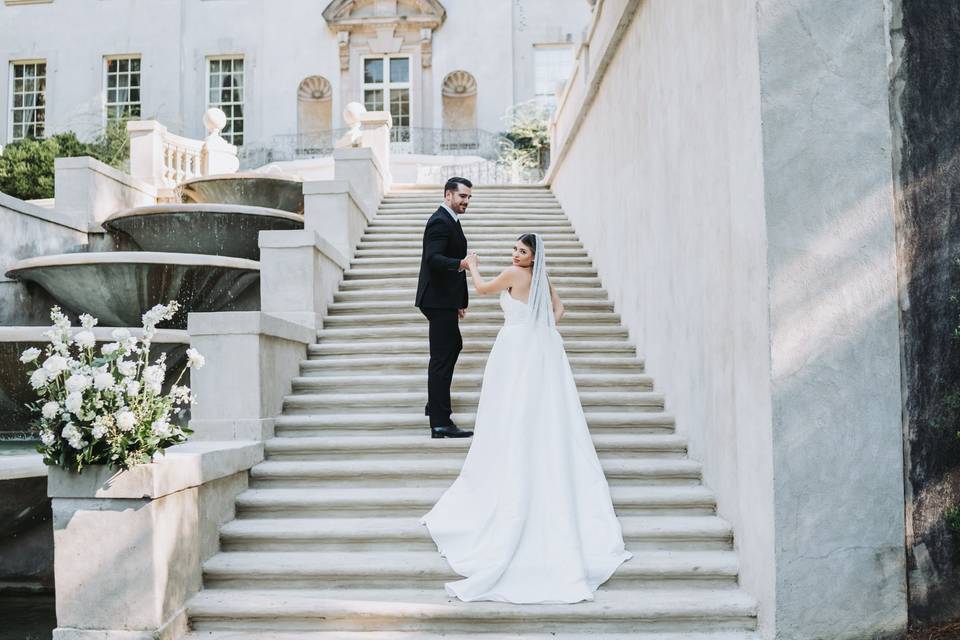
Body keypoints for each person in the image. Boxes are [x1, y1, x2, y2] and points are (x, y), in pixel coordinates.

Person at [420, 233, 633, 603]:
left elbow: (485, 290)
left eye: (522, 252)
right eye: (515, 250)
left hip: (514, 348)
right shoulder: (541, 279)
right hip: (537, 347)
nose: (516, 255)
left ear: (533, 257)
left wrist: (473, 267)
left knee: (510, 408)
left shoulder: (512, 275)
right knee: (534, 407)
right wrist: (540, 329)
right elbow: (559, 311)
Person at [415, 177, 474, 438]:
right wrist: (462, 263)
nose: (466, 201)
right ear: (448, 195)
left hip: (444, 300)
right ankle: (440, 421)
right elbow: (434, 258)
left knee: (452, 348)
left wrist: (459, 301)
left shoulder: (450, 219)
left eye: (469, 197)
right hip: (437, 300)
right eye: (462, 196)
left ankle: (435, 404)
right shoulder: (440, 220)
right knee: (442, 357)